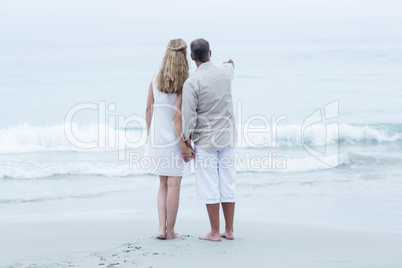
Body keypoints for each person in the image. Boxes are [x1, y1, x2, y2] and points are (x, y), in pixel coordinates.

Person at [181, 38, 236, 241]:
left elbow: (189, 116)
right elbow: (230, 64)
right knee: (228, 183)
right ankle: (229, 231)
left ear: (192, 57)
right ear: (210, 54)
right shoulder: (226, 72)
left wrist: (186, 141)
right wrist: (227, 63)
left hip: (205, 141)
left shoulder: (192, 82)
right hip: (228, 139)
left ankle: (214, 232)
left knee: (209, 185)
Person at [145, 39, 196, 240]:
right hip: (175, 141)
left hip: (157, 139)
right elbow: (179, 116)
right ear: (184, 56)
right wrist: (184, 144)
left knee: (162, 185)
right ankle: (171, 232)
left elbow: (149, 108)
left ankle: (160, 228)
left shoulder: (156, 77)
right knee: (174, 185)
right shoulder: (185, 81)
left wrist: (150, 134)